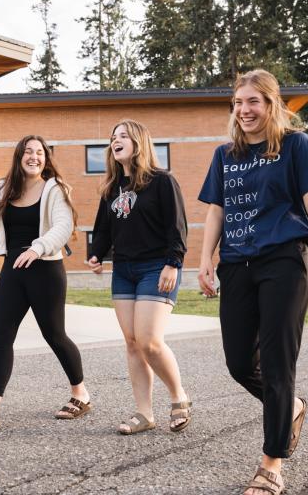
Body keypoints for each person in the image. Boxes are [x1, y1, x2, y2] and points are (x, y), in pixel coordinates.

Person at [197, 70, 308, 495]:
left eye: (254, 102)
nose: (245, 110)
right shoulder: (226, 154)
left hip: (283, 262)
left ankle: (271, 464)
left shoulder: (295, 145)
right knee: (240, 363)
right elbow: (217, 211)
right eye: (239, 103)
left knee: (280, 365)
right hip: (237, 266)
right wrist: (205, 259)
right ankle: (291, 407)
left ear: (272, 104)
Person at [0, 135, 91, 431]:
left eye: (39, 152)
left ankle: (80, 394)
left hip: (45, 270)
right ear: (19, 157)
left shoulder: (55, 188)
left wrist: (37, 248)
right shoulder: (5, 188)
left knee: (54, 335)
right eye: (28, 152)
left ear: (46, 158)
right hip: (12, 271)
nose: (34, 157)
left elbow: (63, 226)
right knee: (1, 336)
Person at [86, 119, 192, 435]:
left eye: (122, 136)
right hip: (124, 271)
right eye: (112, 137)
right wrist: (97, 254)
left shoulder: (162, 182)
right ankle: (144, 413)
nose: (115, 141)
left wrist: (173, 263)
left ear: (138, 142)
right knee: (132, 343)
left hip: (156, 267)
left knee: (149, 341)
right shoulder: (111, 188)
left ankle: (179, 397)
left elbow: (177, 227)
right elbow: (104, 228)